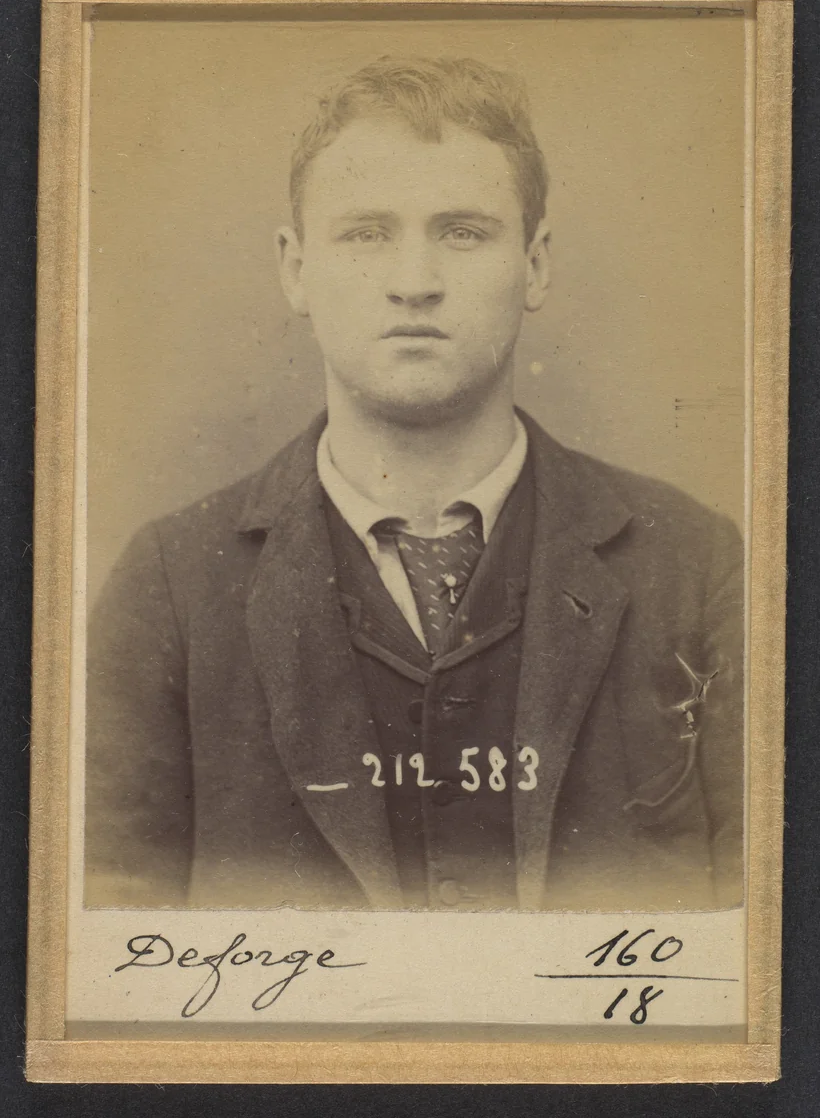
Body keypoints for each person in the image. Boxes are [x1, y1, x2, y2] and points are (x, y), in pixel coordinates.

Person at [86, 55, 743, 913]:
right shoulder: (169, 585)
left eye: (463, 232)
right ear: (294, 269)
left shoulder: (696, 566)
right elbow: (105, 950)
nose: (414, 282)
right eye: (364, 233)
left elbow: (771, 942)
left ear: (536, 265)